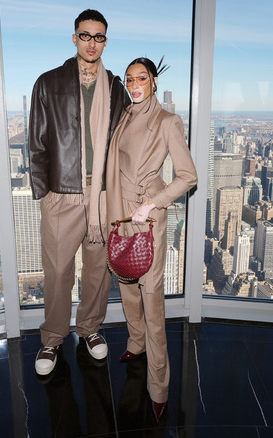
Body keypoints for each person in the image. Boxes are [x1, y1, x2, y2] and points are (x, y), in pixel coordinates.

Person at [28, 9, 130, 376]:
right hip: (63, 193)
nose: (91, 43)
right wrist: (45, 193)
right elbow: (37, 142)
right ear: (74, 38)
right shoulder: (48, 82)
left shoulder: (116, 88)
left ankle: (89, 329)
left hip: (102, 195)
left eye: (99, 37)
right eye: (85, 35)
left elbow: (126, 142)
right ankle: (52, 339)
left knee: (98, 271)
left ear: (105, 41)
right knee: (57, 273)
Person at [105, 57, 198, 422]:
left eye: (141, 78)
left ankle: (158, 387)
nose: (134, 84)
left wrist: (151, 204)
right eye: (129, 80)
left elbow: (187, 176)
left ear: (154, 81)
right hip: (119, 212)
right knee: (126, 284)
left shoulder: (167, 121)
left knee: (151, 299)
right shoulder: (126, 115)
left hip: (146, 217)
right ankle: (135, 342)